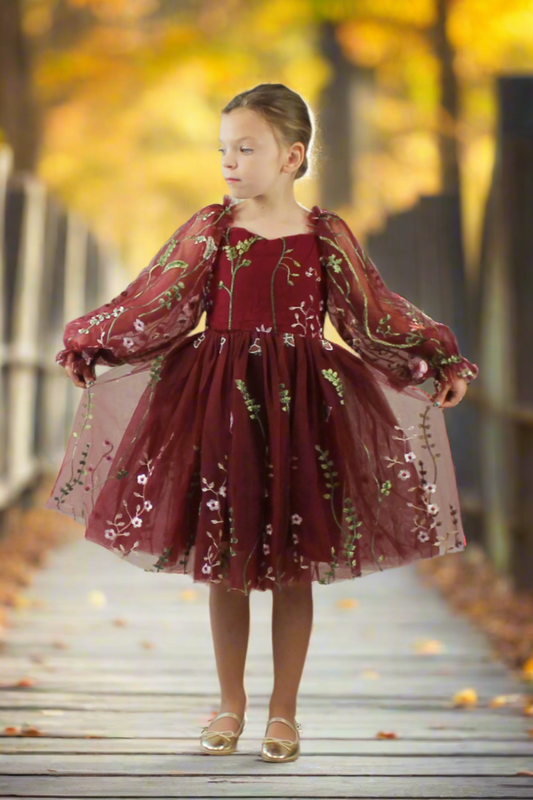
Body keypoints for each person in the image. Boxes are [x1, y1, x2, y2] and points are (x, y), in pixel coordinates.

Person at [44, 83, 478, 762]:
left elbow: (372, 313)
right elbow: (158, 297)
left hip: (304, 409)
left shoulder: (323, 234)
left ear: (290, 156)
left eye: (245, 148)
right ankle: (229, 704)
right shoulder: (212, 229)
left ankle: (283, 713)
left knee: (295, 561)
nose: (229, 161)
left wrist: (434, 355)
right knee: (224, 559)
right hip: (219, 403)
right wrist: (94, 341)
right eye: (224, 149)